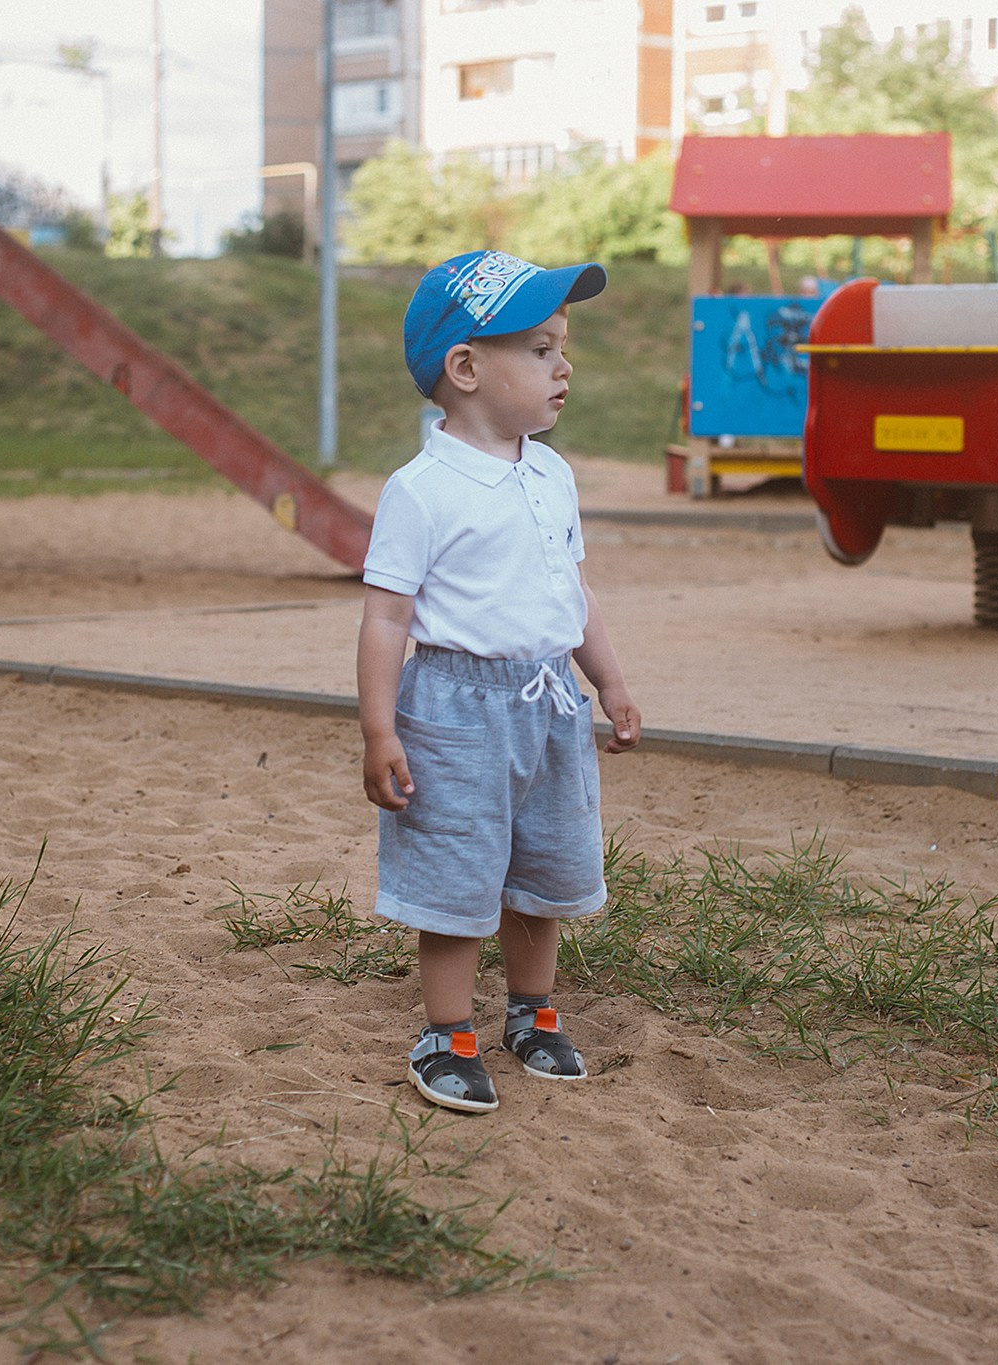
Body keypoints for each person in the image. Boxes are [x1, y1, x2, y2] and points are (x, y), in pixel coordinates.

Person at [357, 249, 642, 1114]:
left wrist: (610, 678)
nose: (565, 366)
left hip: (549, 703)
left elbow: (572, 588)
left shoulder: (552, 473)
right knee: (456, 872)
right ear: (468, 367)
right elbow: (385, 618)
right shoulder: (423, 490)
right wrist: (380, 729)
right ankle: (446, 1032)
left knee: (541, 866)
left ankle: (533, 1012)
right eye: (542, 348)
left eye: (563, 346)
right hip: (456, 707)